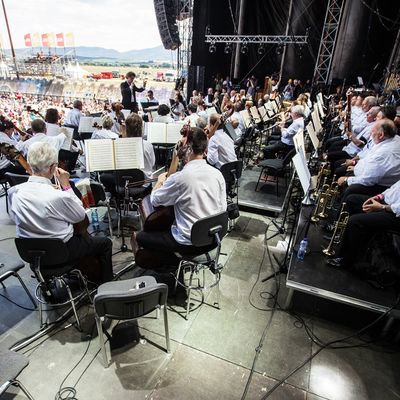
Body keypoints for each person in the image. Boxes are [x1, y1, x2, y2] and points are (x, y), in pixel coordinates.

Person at [8, 142, 113, 283]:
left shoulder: (14, 192)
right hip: (62, 251)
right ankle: (106, 284)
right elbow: (80, 215)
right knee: (105, 243)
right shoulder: (58, 196)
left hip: (32, 254)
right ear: (53, 167)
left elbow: (16, 217)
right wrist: (66, 186)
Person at [132, 127, 227, 269]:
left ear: (187, 148)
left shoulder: (181, 178)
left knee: (140, 237)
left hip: (188, 243)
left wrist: (159, 181)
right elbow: (222, 208)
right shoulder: (217, 174)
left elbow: (155, 200)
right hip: (213, 239)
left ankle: (172, 264)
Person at [327, 179, 400, 269]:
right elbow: (394, 188)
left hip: (395, 215)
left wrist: (381, 207)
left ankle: (346, 260)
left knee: (355, 221)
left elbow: (398, 208)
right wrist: (378, 197)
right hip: (386, 204)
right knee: (352, 200)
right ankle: (339, 236)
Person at [337, 119, 400, 200]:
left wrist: (347, 180)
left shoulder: (384, 153)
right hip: (371, 175)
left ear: (381, 135)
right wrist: (355, 166)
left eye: (373, 131)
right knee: (346, 172)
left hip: (380, 186)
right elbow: (368, 157)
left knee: (349, 190)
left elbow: (368, 180)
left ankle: (340, 208)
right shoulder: (391, 138)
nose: (370, 133)